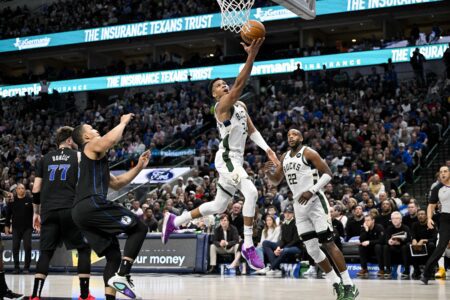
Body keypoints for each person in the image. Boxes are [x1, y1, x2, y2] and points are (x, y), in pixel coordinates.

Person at [162, 38, 280, 271]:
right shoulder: (221, 108)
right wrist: (251, 56)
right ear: (215, 95)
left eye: (224, 83)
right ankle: (248, 246)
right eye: (219, 85)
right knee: (252, 192)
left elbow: (252, 130)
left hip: (236, 159)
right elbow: (239, 84)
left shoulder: (241, 108)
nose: (224, 85)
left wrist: (268, 150)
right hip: (226, 158)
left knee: (218, 205)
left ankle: (175, 220)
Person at [264, 129, 358, 299]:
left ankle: (349, 284)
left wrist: (312, 190)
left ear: (301, 137)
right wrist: (267, 172)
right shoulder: (284, 157)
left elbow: (328, 173)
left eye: (294, 134)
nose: (290, 137)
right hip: (299, 207)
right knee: (312, 250)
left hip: (315, 202)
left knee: (328, 243)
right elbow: (276, 180)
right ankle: (335, 282)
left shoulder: (308, 152)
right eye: (288, 135)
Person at [71, 114, 151, 300]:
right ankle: (122, 275)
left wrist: (139, 166)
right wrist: (122, 122)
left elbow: (117, 183)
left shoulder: (96, 160)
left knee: (114, 256)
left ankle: (112, 293)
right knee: (139, 228)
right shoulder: (90, 147)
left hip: (81, 212)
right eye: (91, 128)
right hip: (91, 203)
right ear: (86, 137)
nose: (95, 129)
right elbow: (110, 140)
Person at [30, 127, 93, 300]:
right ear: (70, 141)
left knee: (45, 253)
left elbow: (36, 189)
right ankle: (84, 295)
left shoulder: (43, 160)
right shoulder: (78, 156)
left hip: (49, 210)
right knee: (83, 249)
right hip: (70, 209)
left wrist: (36, 212)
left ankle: (35, 295)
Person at [421, 165, 450, 284]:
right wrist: (429, 218)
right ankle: (426, 274)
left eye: (445, 171)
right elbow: (431, 205)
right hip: (446, 219)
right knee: (441, 247)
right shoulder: (437, 188)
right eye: (441, 172)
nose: (443, 174)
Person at [259, 205, 301, 277]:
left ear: (293, 214)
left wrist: (282, 249)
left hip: (296, 247)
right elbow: (283, 240)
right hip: (286, 246)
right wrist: (278, 247)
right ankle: (276, 269)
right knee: (265, 243)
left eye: (289, 213)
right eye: (285, 213)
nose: (287, 214)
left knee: (285, 250)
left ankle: (271, 267)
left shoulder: (296, 224)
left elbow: (296, 240)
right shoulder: (284, 225)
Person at [5, 183, 33, 274]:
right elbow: (8, 215)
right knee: (15, 247)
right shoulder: (12, 201)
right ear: (16, 190)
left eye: (23, 188)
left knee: (28, 247)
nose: (21, 190)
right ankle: (16, 267)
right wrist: (6, 226)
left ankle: (26, 267)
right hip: (16, 228)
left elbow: (34, 214)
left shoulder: (30, 200)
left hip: (27, 228)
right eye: (19, 188)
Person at [383, 211, 411, 279]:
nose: (395, 220)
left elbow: (408, 240)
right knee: (386, 247)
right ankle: (388, 269)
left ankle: (406, 270)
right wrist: (389, 241)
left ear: (401, 220)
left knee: (405, 247)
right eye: (393, 218)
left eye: (397, 218)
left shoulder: (406, 228)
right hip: (393, 248)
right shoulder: (389, 228)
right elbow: (386, 239)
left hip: (403, 248)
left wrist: (399, 243)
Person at [410, 209, 437, 280]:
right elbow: (413, 236)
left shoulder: (432, 224)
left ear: (426, 216)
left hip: (428, 245)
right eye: (419, 214)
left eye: (422, 214)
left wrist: (424, 240)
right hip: (418, 246)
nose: (420, 216)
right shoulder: (414, 225)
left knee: (431, 245)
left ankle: (430, 270)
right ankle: (417, 271)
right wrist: (413, 240)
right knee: (408, 247)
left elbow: (434, 239)